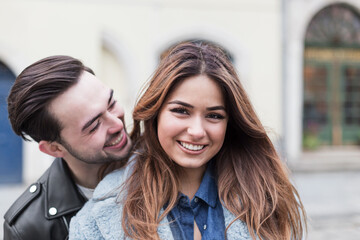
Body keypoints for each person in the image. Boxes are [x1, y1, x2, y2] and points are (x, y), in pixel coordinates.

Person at [69, 41, 306, 240]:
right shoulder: (99, 216)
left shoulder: (264, 196)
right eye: (181, 110)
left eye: (214, 116)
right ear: (156, 113)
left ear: (229, 123)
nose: (196, 131)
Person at [3, 55, 132, 240]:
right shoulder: (28, 228)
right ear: (54, 149)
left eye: (111, 104)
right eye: (94, 126)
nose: (117, 124)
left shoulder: (166, 160)